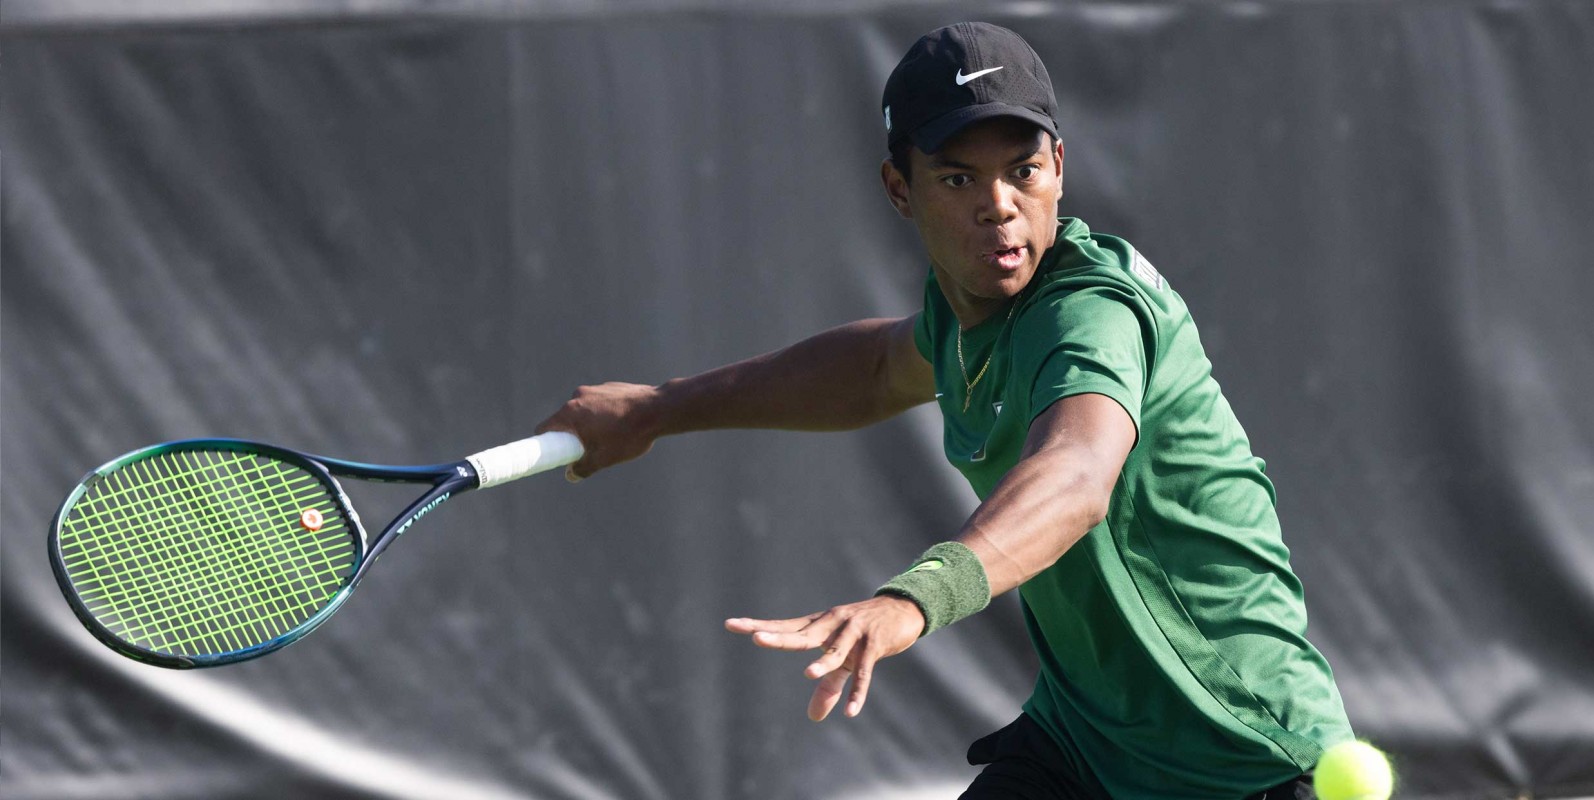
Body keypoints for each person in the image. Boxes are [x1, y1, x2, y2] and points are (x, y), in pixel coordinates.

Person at [536, 21, 1352, 800]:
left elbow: (1075, 475)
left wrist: (912, 599)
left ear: (1058, 167)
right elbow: (874, 369)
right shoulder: (962, 320)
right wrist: (656, 408)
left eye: (1022, 170)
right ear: (901, 190)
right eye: (958, 179)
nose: (998, 204)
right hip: (1089, 745)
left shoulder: (1090, 312)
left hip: (1238, 750)